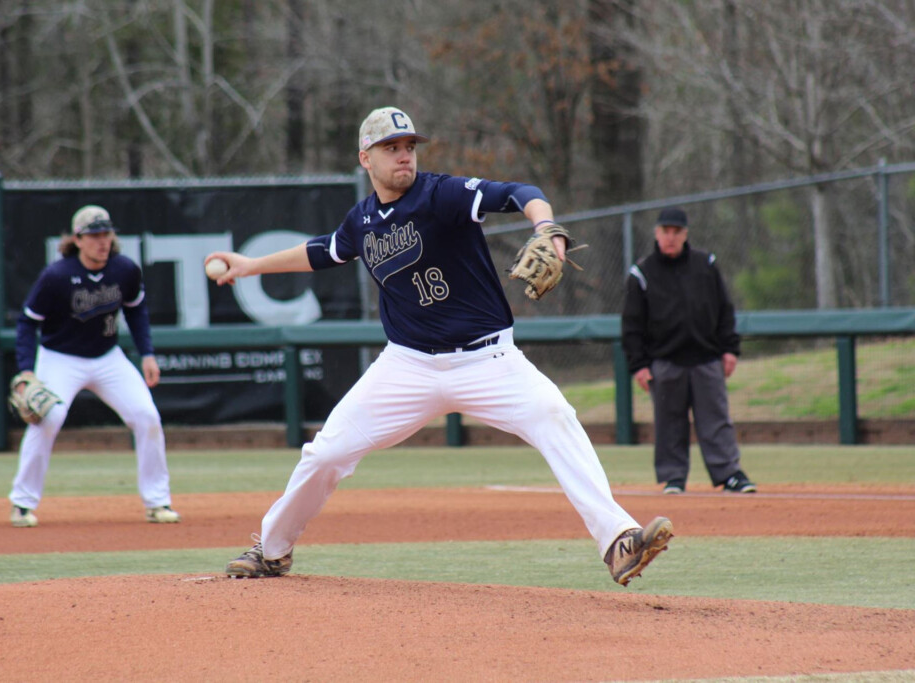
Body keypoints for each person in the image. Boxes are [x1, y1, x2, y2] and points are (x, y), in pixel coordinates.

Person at [208, 106, 673, 586]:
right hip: (407, 366)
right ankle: (273, 550)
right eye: (392, 148)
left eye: (409, 146)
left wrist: (544, 227)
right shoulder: (362, 220)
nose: (404, 156)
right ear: (365, 158)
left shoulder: (441, 194)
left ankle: (619, 539)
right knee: (324, 455)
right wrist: (250, 265)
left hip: (488, 360)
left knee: (556, 418)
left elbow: (520, 193)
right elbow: (324, 251)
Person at [8, 205, 180, 527]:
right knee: (48, 417)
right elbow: (26, 323)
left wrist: (147, 354)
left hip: (107, 357)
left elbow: (136, 312)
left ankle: (158, 502)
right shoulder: (56, 276)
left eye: (106, 233)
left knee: (147, 417)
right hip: (60, 357)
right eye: (94, 235)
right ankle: (22, 503)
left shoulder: (125, 270)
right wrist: (26, 370)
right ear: (78, 239)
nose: (102, 241)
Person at [621, 206, 756, 495]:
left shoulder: (705, 263)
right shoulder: (642, 273)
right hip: (665, 362)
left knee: (716, 420)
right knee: (669, 424)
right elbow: (632, 324)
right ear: (656, 234)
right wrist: (639, 365)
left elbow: (724, 309)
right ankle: (674, 478)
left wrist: (729, 348)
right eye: (665, 231)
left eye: (676, 232)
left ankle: (729, 473)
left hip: (707, 358)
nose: (670, 237)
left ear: (685, 234)